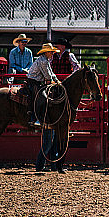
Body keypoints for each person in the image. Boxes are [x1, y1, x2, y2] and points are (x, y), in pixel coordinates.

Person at [37, 38, 81, 172]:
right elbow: (49, 71)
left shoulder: (69, 55)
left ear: (62, 46)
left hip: (64, 84)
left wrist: (69, 80)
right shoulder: (49, 58)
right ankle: (46, 116)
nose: (56, 48)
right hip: (55, 83)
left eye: (57, 46)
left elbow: (77, 68)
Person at [24, 43, 61, 129]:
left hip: (37, 81)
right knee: (41, 97)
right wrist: (54, 81)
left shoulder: (45, 60)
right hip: (33, 82)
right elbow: (47, 75)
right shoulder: (43, 61)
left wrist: (56, 80)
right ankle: (36, 118)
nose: (52, 54)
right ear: (46, 52)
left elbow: (50, 72)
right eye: (51, 52)